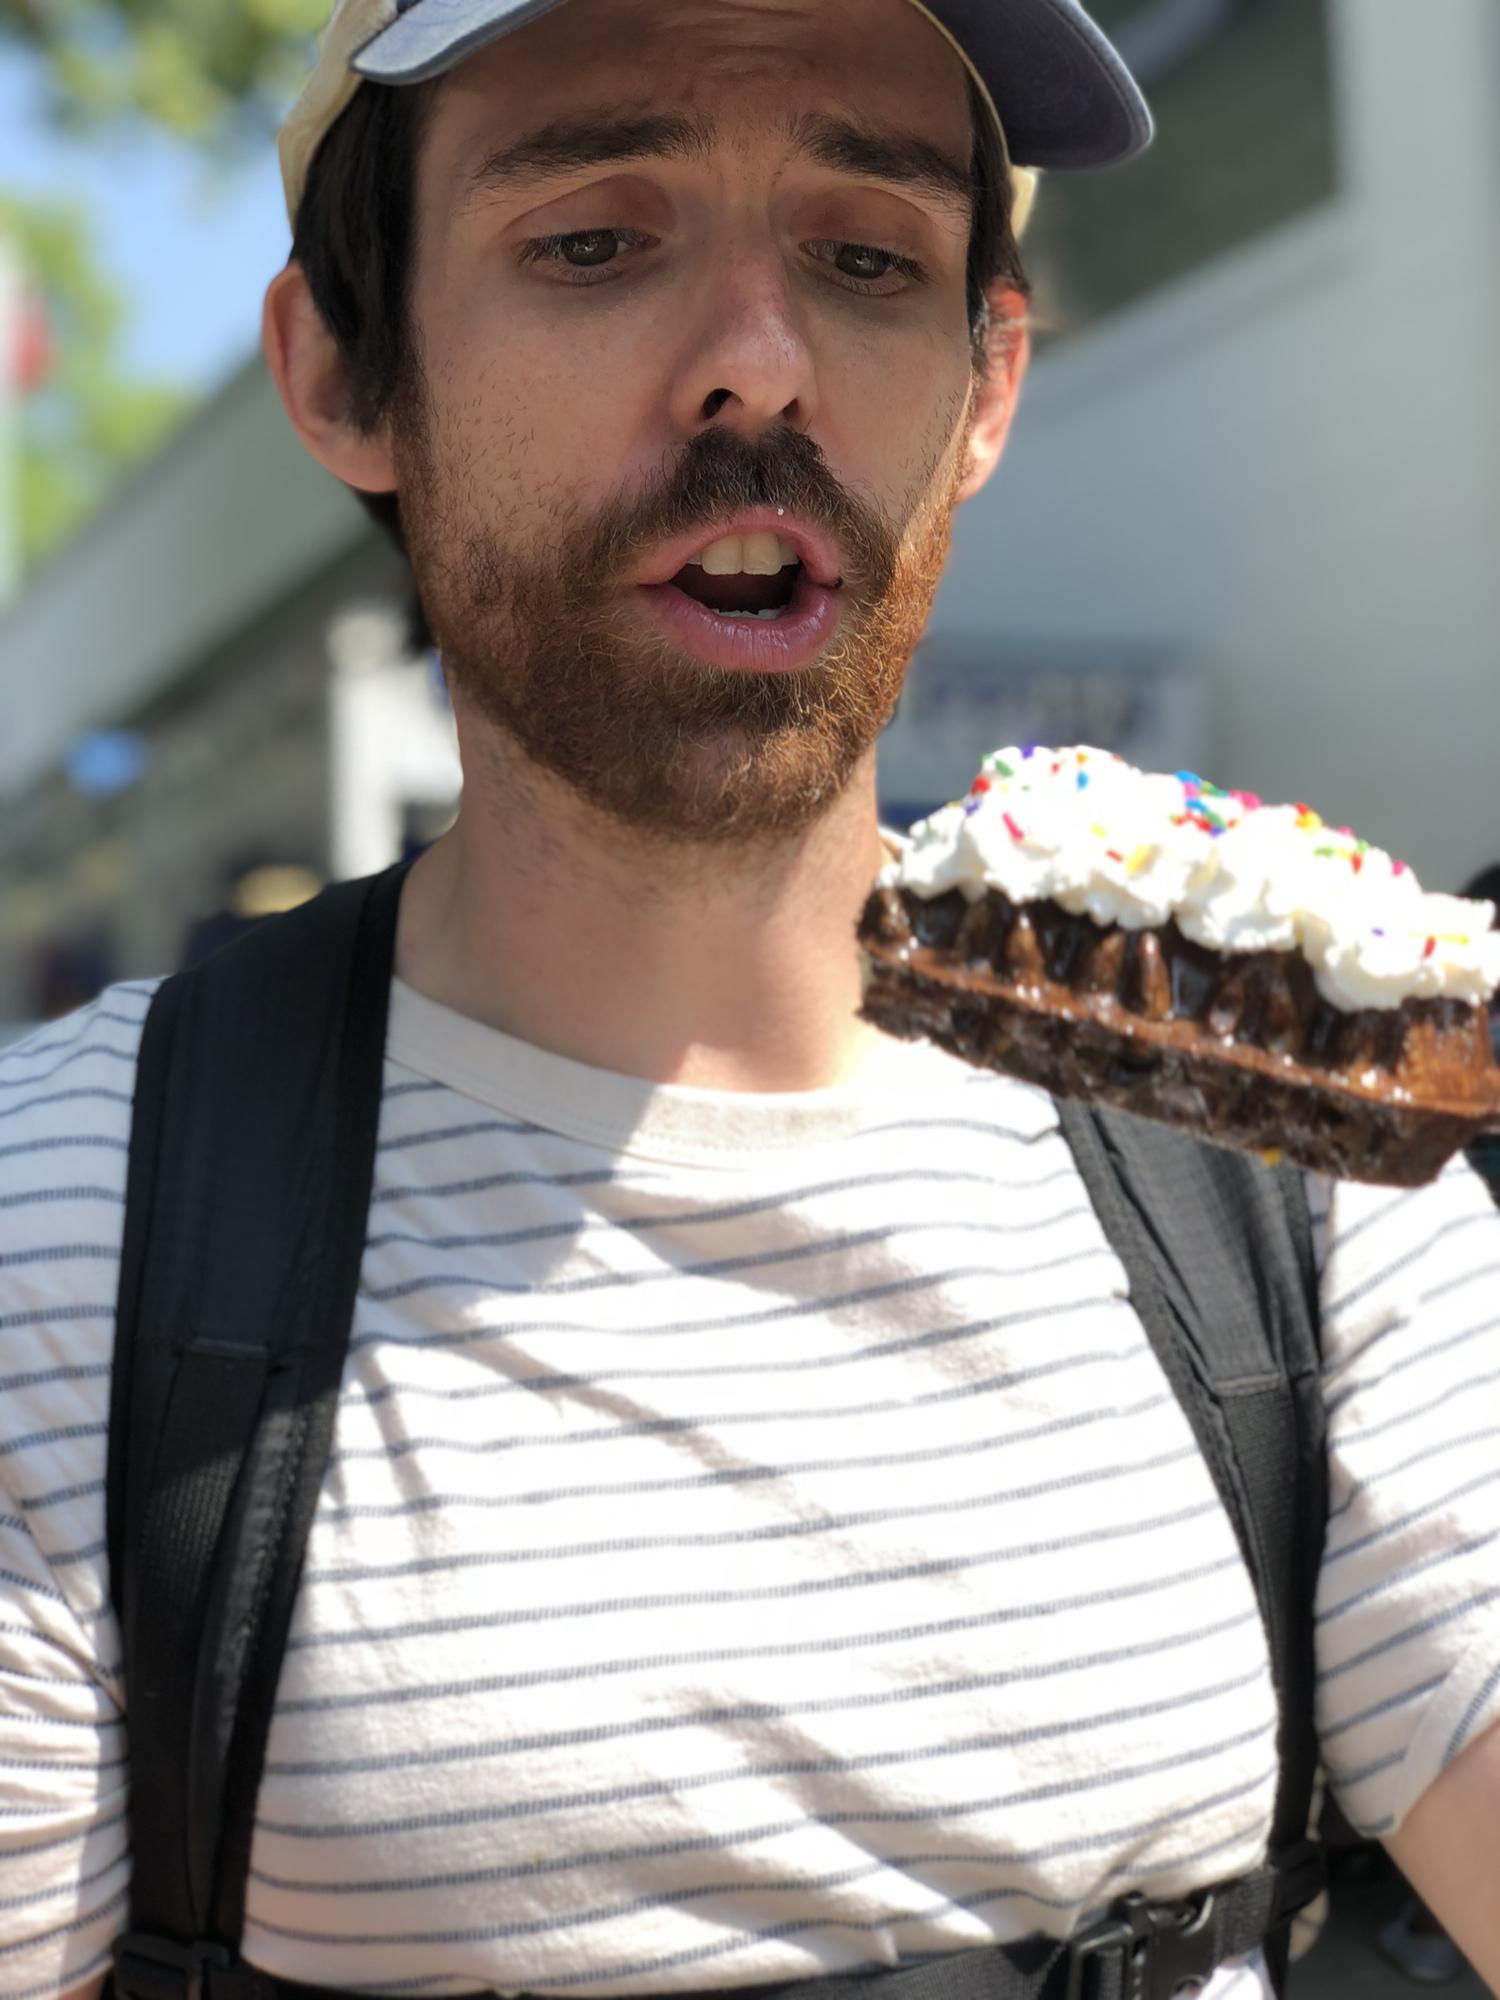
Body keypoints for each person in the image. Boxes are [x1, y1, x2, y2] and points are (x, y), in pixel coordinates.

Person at [3, 5, 1500, 1999]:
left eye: (867, 256)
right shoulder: (66, 1233)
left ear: (988, 384)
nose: (759, 361)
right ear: (343, 373)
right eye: (593, 242)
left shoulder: (1290, 1179)